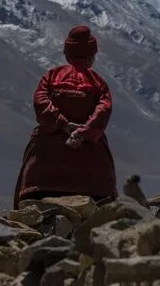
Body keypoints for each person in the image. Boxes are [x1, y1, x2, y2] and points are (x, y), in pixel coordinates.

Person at [14, 25, 117, 207]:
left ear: (67, 54)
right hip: (91, 165)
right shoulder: (99, 83)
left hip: (45, 163)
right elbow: (102, 112)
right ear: (91, 56)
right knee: (104, 197)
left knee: (31, 179)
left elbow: (41, 104)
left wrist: (62, 124)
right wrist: (82, 132)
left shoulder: (51, 77)